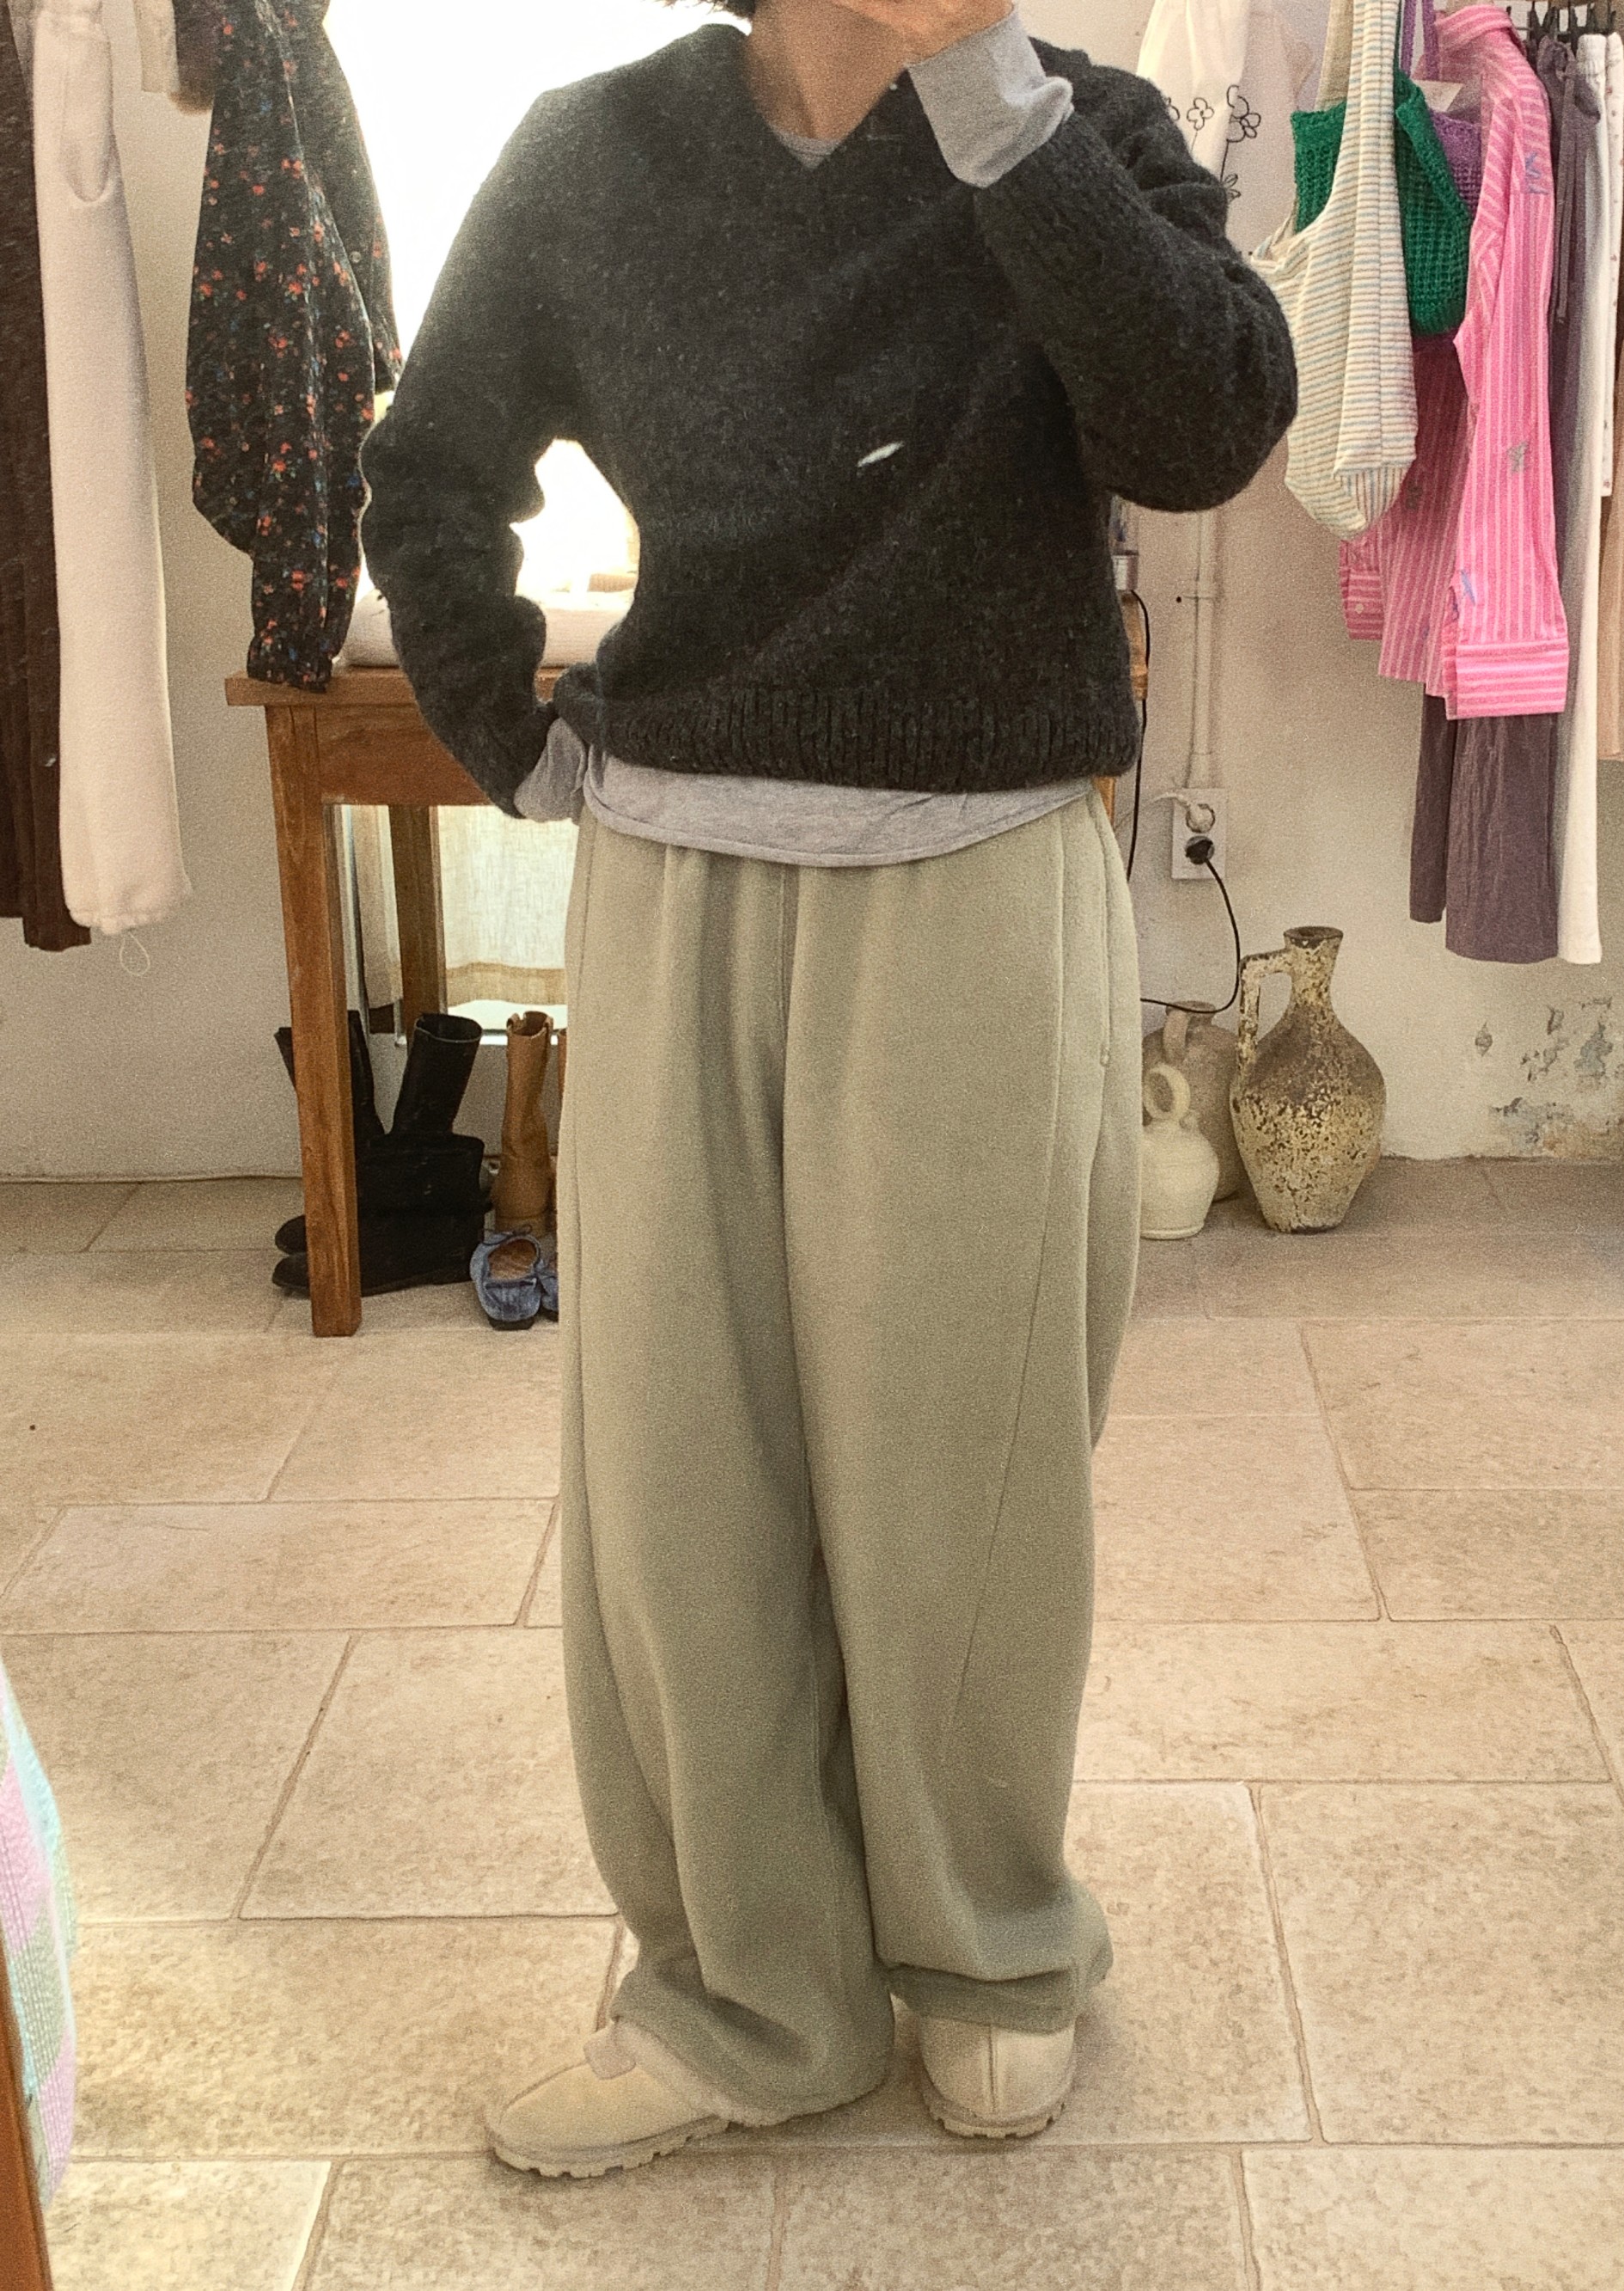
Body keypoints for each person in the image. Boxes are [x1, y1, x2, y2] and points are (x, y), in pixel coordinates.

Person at [357, 0, 1295, 2180]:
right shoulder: (596, 152)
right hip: (678, 877)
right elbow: (428, 464)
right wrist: (517, 736)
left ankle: (982, 1949)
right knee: (676, 1464)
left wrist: (987, 93)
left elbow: (1202, 425)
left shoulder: (1078, 128)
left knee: (965, 1460)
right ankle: (744, 1990)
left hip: (977, 867)